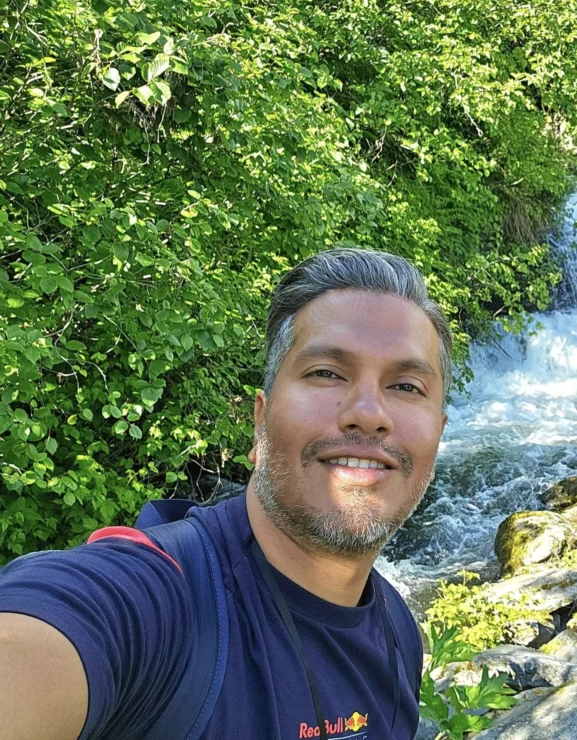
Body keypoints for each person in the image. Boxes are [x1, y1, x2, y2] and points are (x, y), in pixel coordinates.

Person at [0, 248, 451, 739]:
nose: (368, 413)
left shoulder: (397, 630)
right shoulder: (154, 604)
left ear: (438, 433)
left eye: (407, 386)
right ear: (260, 423)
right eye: (326, 372)